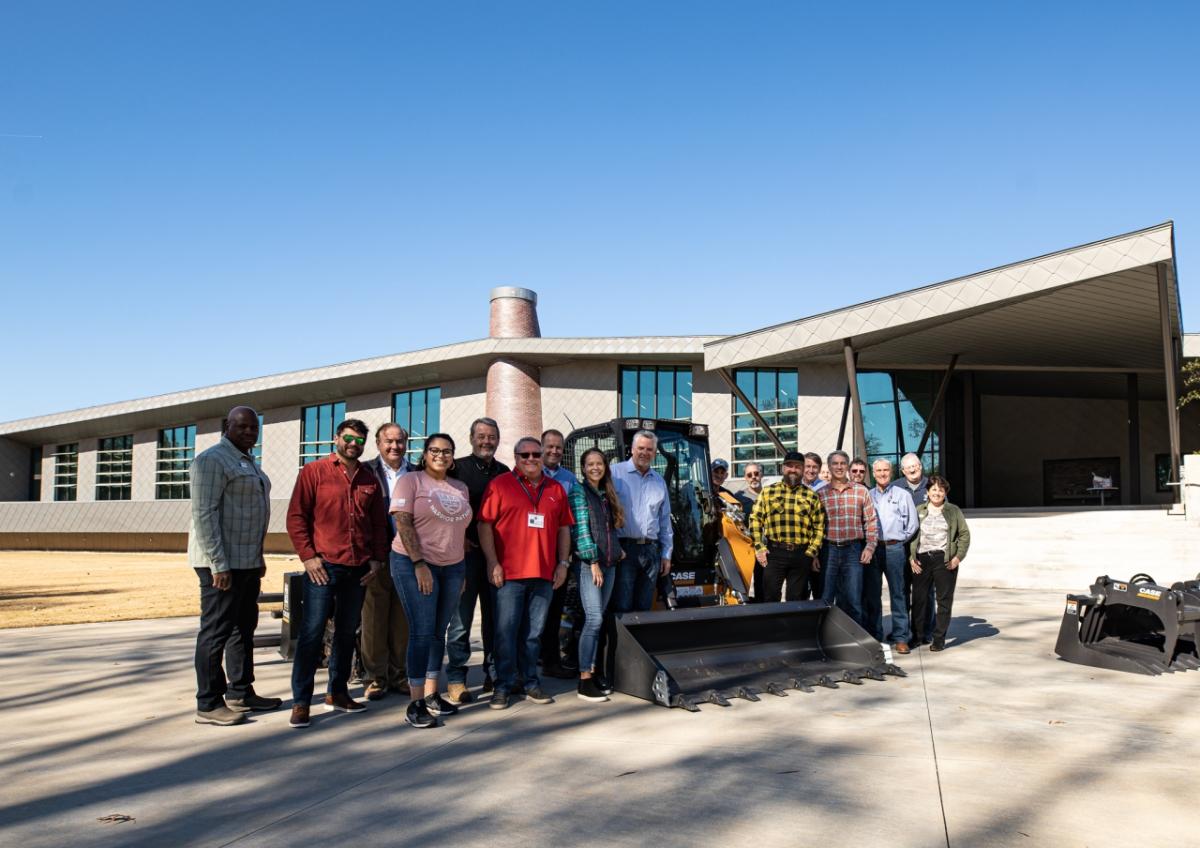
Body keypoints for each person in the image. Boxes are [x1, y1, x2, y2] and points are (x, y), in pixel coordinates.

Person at [285, 419, 389, 729]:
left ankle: (338, 692)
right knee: (313, 632)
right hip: (323, 567)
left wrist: (377, 560)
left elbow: (378, 525)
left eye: (359, 440)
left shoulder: (369, 478)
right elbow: (296, 517)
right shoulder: (314, 472)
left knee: (347, 632)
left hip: (358, 568)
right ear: (336, 438)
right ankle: (301, 701)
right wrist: (308, 557)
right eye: (348, 438)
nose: (352, 444)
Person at [190, 406, 281, 726]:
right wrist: (218, 564)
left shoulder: (246, 461)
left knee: (243, 629)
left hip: (246, 562)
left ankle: (241, 692)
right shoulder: (211, 460)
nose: (249, 432)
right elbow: (204, 514)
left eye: (254, 427)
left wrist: (257, 558)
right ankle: (208, 702)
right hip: (222, 564)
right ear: (225, 426)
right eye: (241, 426)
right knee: (216, 631)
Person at [480, 436, 573, 710]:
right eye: (525, 455)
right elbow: (484, 525)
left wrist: (563, 564)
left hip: (544, 575)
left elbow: (564, 529)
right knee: (505, 633)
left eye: (536, 454)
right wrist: (492, 562)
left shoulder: (556, 488)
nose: (531, 459)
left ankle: (531, 681)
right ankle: (504, 685)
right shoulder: (500, 485)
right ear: (516, 457)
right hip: (508, 575)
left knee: (533, 634)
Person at [390, 433, 472, 728]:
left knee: (440, 632)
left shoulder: (460, 487)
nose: (441, 455)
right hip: (413, 563)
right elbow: (403, 521)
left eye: (447, 451)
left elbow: (458, 531)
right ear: (425, 454)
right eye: (434, 450)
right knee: (422, 632)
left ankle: (432, 694)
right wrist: (418, 563)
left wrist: (459, 571)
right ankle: (415, 702)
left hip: (452, 568)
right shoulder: (411, 481)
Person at [445, 417, 510, 704]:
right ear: (471, 438)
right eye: (481, 436)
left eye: (491, 437)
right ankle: (457, 678)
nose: (487, 441)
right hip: (465, 556)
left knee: (496, 621)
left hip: (497, 558)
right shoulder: (457, 469)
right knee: (461, 620)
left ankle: (493, 675)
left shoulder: (504, 472)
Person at [567, 447, 627, 702]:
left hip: (610, 564)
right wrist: (592, 561)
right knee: (592, 619)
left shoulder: (606, 493)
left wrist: (619, 551)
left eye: (599, 463)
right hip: (591, 566)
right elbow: (581, 530)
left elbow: (610, 529)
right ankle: (584, 681)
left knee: (599, 619)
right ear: (583, 468)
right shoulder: (579, 492)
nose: (595, 468)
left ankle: (593, 671)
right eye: (590, 464)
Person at [360, 423, 412, 700]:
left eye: (400, 441)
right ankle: (375, 677)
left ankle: (399, 674)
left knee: (402, 618)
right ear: (378, 444)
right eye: (388, 442)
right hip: (376, 558)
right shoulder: (365, 471)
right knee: (374, 618)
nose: (395, 447)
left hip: (408, 556)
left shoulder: (416, 473)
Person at [749, 451, 826, 602]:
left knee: (796, 599)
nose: (793, 470)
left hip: (801, 555)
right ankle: (772, 626)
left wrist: (811, 552)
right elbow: (755, 519)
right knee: (770, 597)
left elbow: (819, 527)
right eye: (789, 466)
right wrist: (759, 546)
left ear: (803, 470)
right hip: (774, 553)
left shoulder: (811, 496)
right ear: (783, 468)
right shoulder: (768, 492)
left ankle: (791, 627)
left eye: (797, 467)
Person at [611, 430, 673, 613]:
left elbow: (664, 522)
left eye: (649, 449)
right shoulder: (615, 474)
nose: (644, 452)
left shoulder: (659, 482)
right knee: (623, 605)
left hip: (651, 552)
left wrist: (666, 555)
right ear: (632, 449)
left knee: (645, 606)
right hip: (624, 550)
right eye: (641, 448)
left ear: (654, 453)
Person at [817, 451, 878, 628]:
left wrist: (870, 547)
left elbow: (871, 521)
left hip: (853, 550)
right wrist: (814, 555)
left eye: (843, 463)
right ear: (829, 467)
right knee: (826, 599)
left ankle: (854, 643)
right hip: (828, 551)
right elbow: (815, 526)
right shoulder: (821, 494)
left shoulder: (861, 491)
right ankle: (827, 641)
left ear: (847, 467)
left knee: (853, 600)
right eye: (835, 463)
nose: (839, 467)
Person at [910, 476, 970, 651]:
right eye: (934, 489)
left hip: (944, 560)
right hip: (921, 559)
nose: (937, 493)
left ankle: (939, 639)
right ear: (927, 492)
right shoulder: (918, 510)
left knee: (943, 601)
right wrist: (911, 558)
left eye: (941, 490)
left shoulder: (953, 511)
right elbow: (910, 535)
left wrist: (958, 557)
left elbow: (964, 535)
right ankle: (918, 636)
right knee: (919, 600)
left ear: (945, 493)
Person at [865, 459, 918, 653]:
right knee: (872, 594)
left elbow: (913, 524)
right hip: (873, 548)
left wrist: (898, 540)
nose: (882, 473)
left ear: (892, 471)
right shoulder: (867, 495)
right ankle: (875, 635)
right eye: (878, 470)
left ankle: (901, 637)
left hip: (895, 549)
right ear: (873, 472)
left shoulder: (902, 495)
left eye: (885, 470)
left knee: (899, 593)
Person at [539, 428, 578, 679]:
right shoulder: (526, 473)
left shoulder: (569, 479)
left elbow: (571, 518)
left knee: (554, 610)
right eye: (550, 446)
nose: (554, 451)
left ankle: (551, 660)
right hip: (532, 551)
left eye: (558, 447)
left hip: (558, 553)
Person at [734, 463, 765, 600]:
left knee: (763, 583)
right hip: (746, 547)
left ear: (761, 475)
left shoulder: (768, 494)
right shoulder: (738, 498)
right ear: (745, 478)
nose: (753, 477)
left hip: (765, 547)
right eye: (749, 475)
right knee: (743, 582)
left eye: (756, 474)